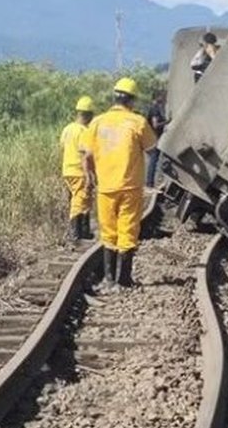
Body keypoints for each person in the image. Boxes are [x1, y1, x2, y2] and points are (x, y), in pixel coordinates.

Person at [79, 77, 157, 290]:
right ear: (131, 101)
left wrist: (90, 176)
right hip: (130, 187)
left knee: (108, 232)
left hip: (105, 188)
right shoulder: (137, 122)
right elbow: (152, 149)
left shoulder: (96, 122)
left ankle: (109, 279)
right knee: (128, 230)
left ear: (114, 98)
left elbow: (86, 154)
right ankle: (124, 280)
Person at [60, 96, 95, 241]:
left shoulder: (67, 129)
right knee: (78, 201)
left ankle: (84, 232)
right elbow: (84, 155)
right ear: (88, 115)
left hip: (67, 170)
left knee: (83, 200)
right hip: (78, 171)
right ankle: (75, 234)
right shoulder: (83, 131)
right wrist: (88, 176)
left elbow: (62, 147)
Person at [144, 90, 167, 187]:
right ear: (157, 97)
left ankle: (151, 182)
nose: (165, 98)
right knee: (153, 160)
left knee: (155, 160)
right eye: (162, 96)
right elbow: (155, 125)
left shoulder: (154, 108)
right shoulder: (154, 109)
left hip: (153, 138)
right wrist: (167, 122)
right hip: (154, 138)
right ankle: (149, 183)